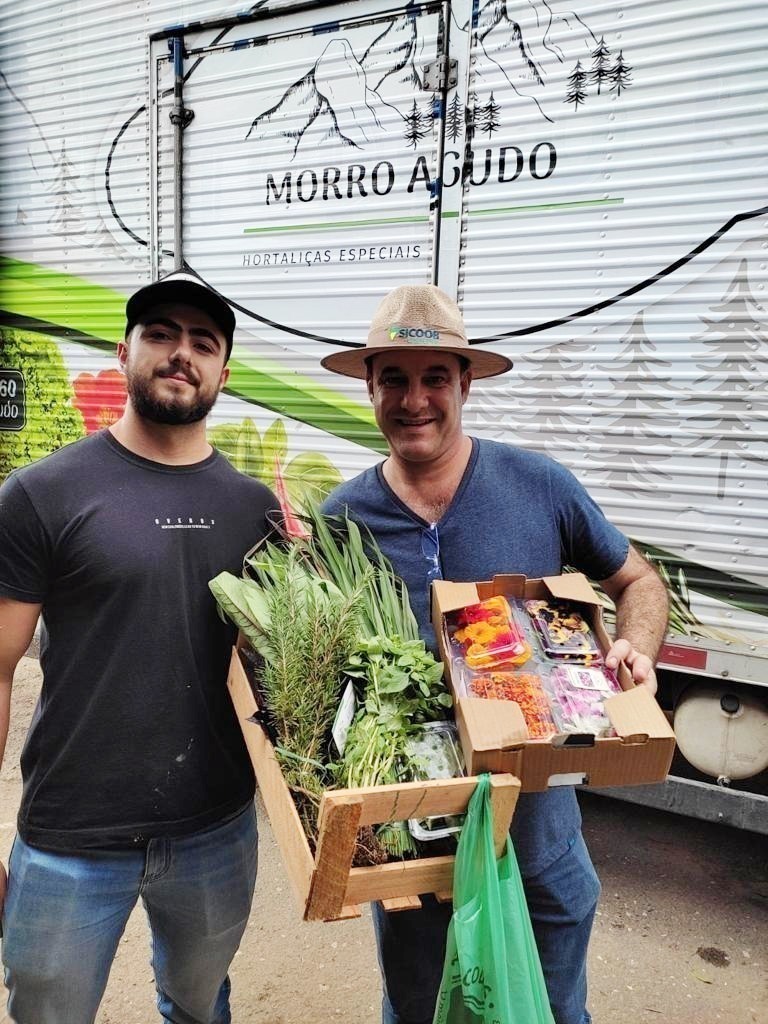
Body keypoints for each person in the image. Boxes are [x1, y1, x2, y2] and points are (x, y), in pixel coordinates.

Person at [320, 284, 669, 1024]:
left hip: (540, 838)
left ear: (465, 383)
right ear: (373, 388)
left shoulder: (539, 486)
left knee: (550, 1008)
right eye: (395, 380)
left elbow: (637, 580)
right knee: (421, 1008)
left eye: (434, 378)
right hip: (418, 844)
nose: (414, 400)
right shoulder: (342, 520)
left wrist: (635, 649)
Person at [0, 270, 279, 1024]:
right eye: (160, 334)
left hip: (215, 830)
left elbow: (270, 671)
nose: (180, 353)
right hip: (70, 836)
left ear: (224, 371)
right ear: (125, 351)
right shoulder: (41, 494)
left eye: (202, 342)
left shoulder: (256, 509)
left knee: (197, 1005)